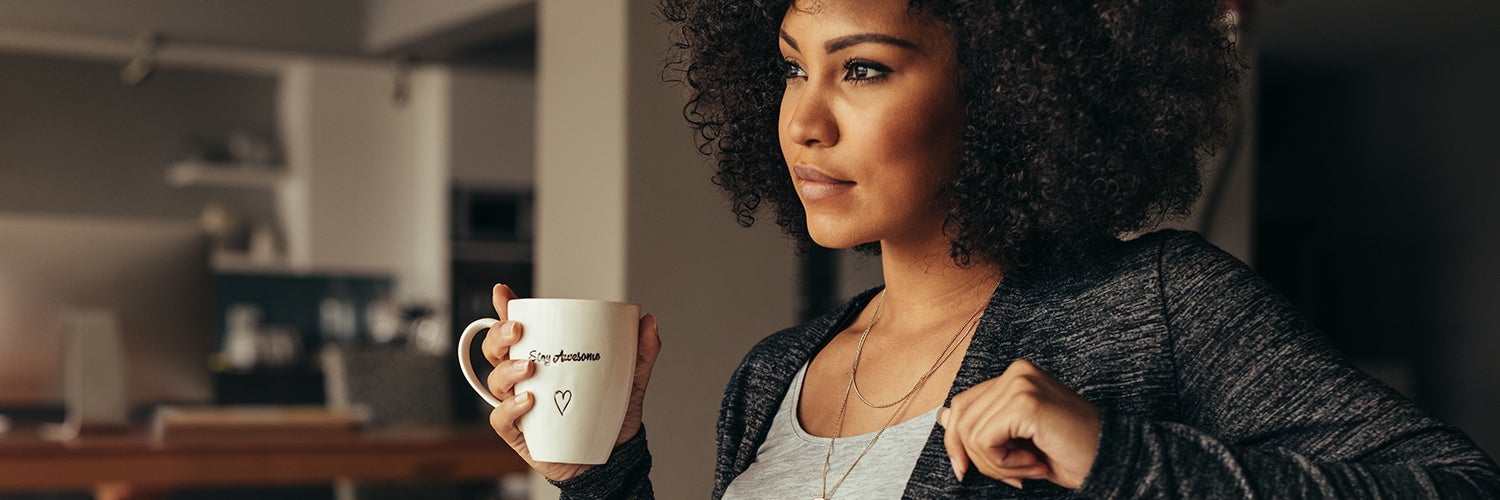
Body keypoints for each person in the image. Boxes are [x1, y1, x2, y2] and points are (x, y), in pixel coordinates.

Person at [481, 0, 1500, 497]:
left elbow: (1451, 484)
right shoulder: (771, 376)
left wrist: (1119, 456)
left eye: (865, 71)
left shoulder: (1155, 303)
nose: (804, 121)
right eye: (794, 69)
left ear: (1009, 88)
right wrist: (601, 472)